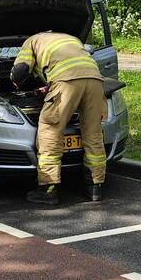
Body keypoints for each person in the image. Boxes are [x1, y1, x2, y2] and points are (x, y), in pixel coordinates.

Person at [11, 31, 106, 205]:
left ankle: (48, 189)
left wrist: (16, 82)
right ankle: (94, 186)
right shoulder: (71, 38)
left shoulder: (31, 40)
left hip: (66, 81)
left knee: (50, 132)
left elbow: (21, 70)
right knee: (93, 134)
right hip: (95, 80)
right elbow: (74, 67)